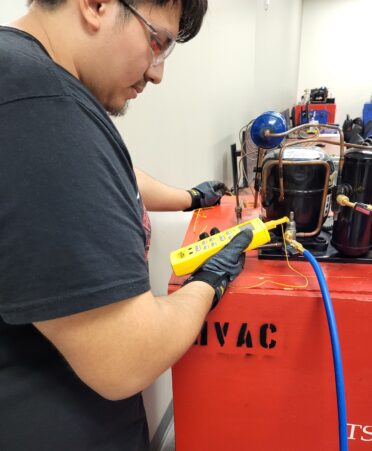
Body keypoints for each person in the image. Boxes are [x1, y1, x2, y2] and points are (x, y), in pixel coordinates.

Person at [0, 1, 253, 450]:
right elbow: (127, 357)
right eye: (158, 43)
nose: (156, 74)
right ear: (96, 5)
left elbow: (113, 175)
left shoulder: (27, 80)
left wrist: (190, 198)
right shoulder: (41, 104)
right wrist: (208, 283)